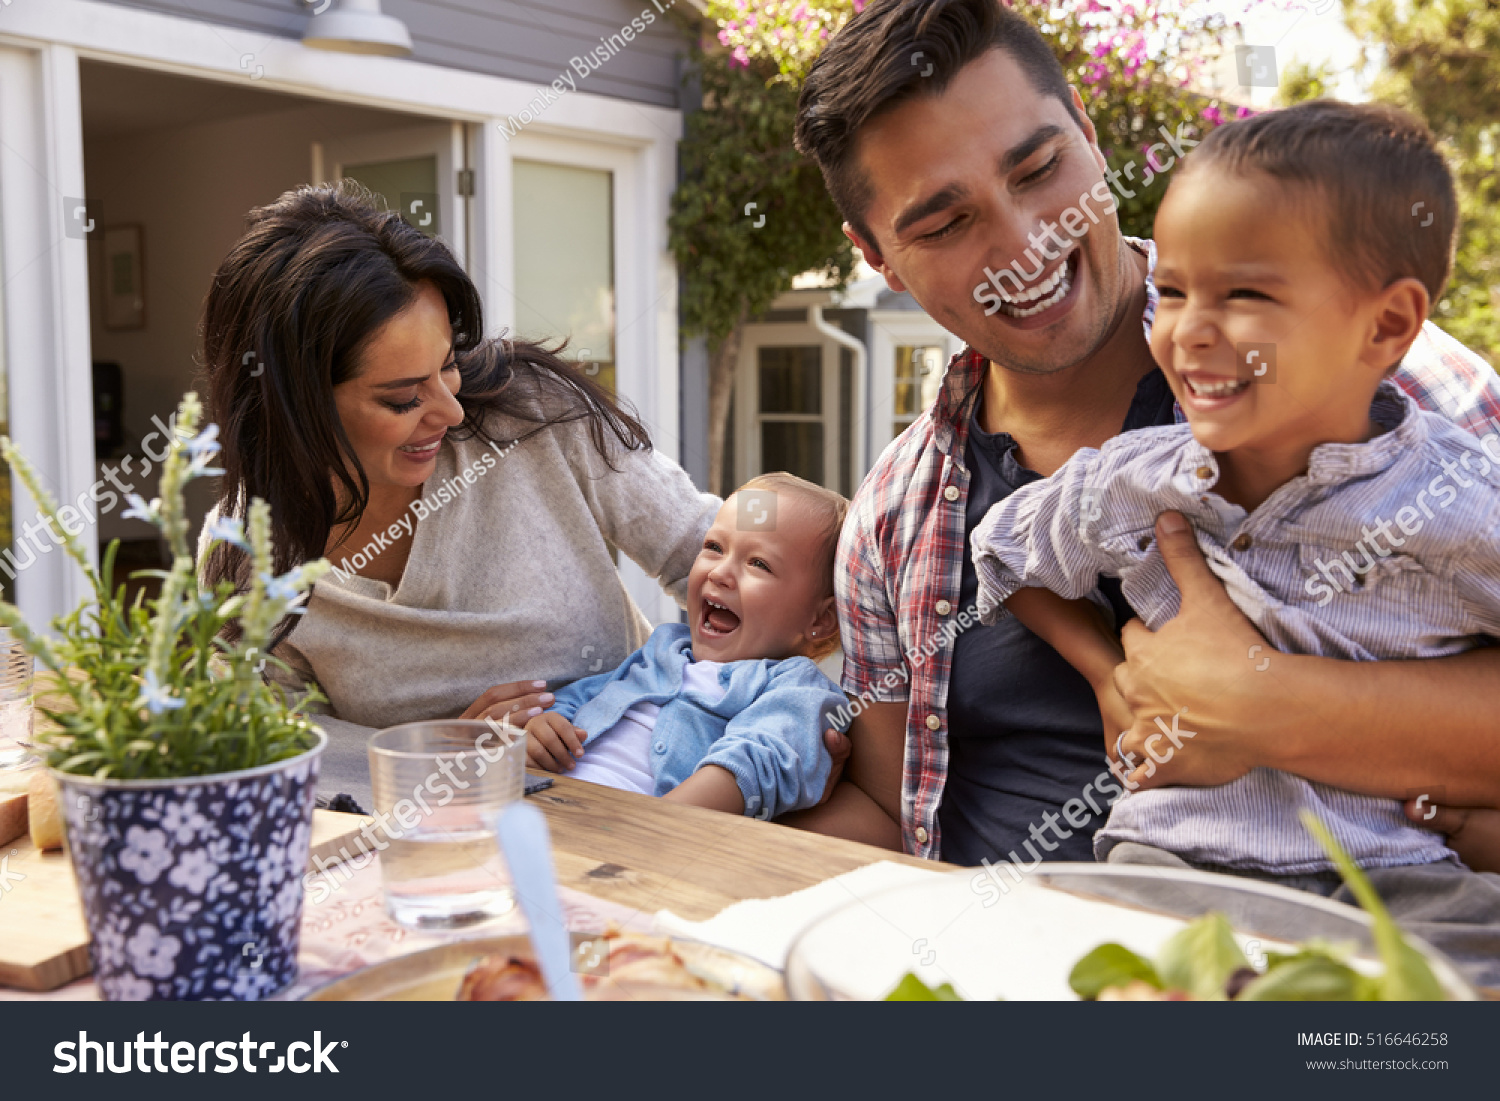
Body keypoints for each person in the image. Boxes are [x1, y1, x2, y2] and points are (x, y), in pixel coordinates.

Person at [788, 0, 1500, 872]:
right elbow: (890, 809)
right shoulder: (890, 515)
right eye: (944, 224)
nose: (1024, 242)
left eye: (1040, 168)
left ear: (1089, 136)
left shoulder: (1387, 376)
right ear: (878, 257)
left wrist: (1258, 702)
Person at [968, 102, 1500, 983]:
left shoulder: (1457, 496)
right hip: (1171, 868)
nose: (1188, 330)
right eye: (1172, 290)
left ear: (1387, 326)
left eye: (1245, 294)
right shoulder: (1140, 479)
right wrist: (1111, 678)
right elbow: (1001, 550)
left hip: (1398, 884)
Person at [197, 182, 719, 813]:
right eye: (402, 398)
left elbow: (720, 561)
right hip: (439, 847)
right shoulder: (246, 554)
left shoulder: (534, 418)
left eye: (447, 364)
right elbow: (272, 746)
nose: (449, 408)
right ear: (295, 409)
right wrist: (450, 752)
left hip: (652, 801)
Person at [522, 473, 846, 818]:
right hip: (535, 805)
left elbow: (759, 760)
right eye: (714, 548)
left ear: (820, 620)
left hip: (632, 835)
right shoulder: (662, 649)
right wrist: (545, 728)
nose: (720, 572)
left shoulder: (794, 686)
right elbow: (583, 698)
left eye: (759, 564)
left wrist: (654, 827)